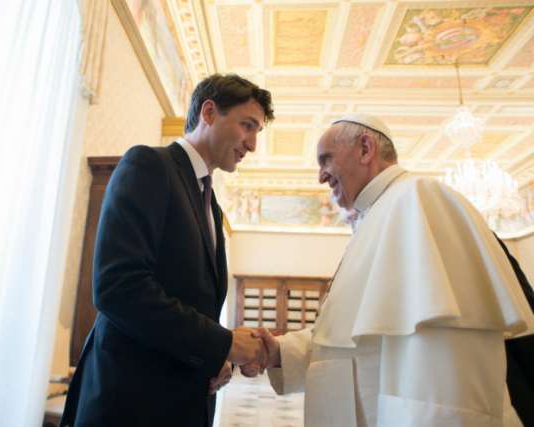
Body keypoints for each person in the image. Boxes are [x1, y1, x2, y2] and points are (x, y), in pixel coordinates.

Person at [244, 113, 534, 427]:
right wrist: (279, 352)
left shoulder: (417, 199)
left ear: (365, 149)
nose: (321, 177)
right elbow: (351, 345)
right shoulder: (376, 215)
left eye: (326, 160)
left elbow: (441, 373)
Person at [60, 74, 274, 427]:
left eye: (257, 133)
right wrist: (223, 344)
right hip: (130, 404)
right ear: (208, 112)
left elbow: (191, 302)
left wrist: (212, 358)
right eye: (247, 126)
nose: (251, 144)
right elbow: (119, 288)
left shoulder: (212, 205)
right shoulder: (149, 165)